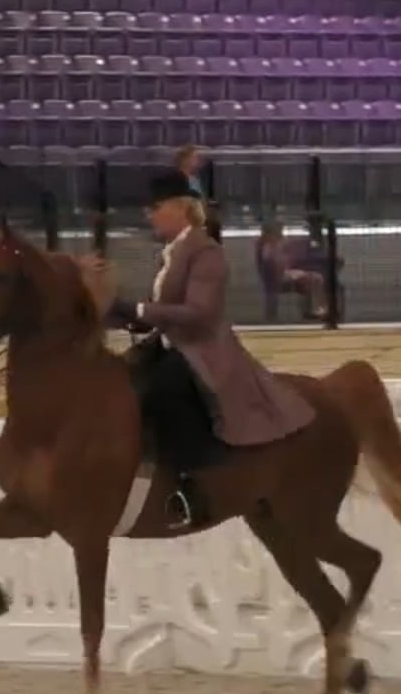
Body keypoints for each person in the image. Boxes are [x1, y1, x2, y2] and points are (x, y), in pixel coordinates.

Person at [92, 171, 316, 530]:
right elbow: (157, 314)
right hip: (168, 344)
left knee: (162, 389)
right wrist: (113, 314)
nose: (149, 214)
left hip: (203, 351)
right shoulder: (171, 253)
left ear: (180, 207)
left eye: (156, 207)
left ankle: (189, 486)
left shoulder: (206, 252)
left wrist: (138, 310)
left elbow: (200, 314)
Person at [255, 222, 331, 323]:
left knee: (314, 278)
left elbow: (287, 254)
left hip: (284, 274)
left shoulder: (275, 244)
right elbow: (273, 264)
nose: (281, 234)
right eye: (279, 231)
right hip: (278, 278)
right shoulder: (267, 246)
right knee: (317, 278)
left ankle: (317, 309)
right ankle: (321, 308)